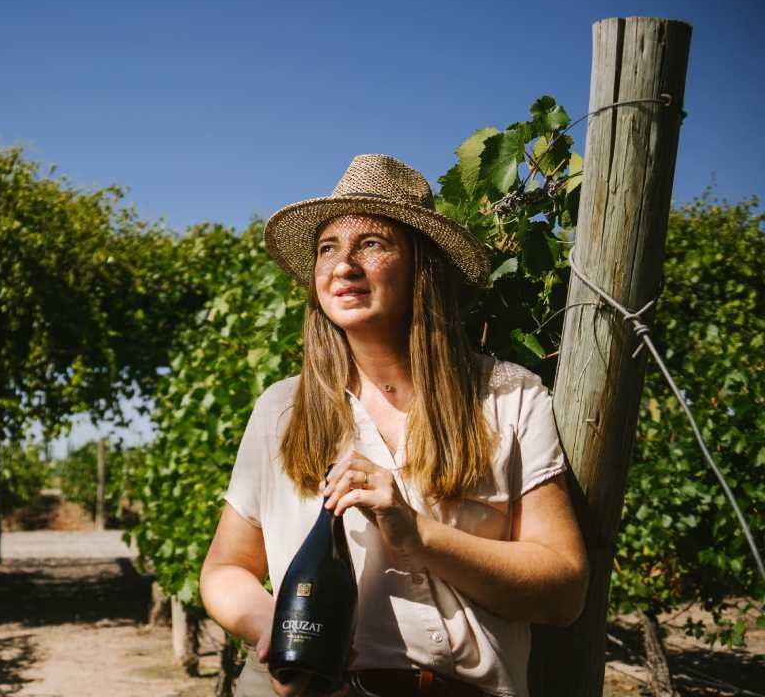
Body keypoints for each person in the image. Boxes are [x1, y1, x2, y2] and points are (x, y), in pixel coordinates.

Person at [199, 154, 589, 697]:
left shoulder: (507, 396)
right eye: (327, 248)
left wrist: (419, 535)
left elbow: (563, 592)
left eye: (372, 244)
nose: (343, 265)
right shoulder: (282, 409)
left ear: (421, 265)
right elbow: (224, 570)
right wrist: (278, 631)